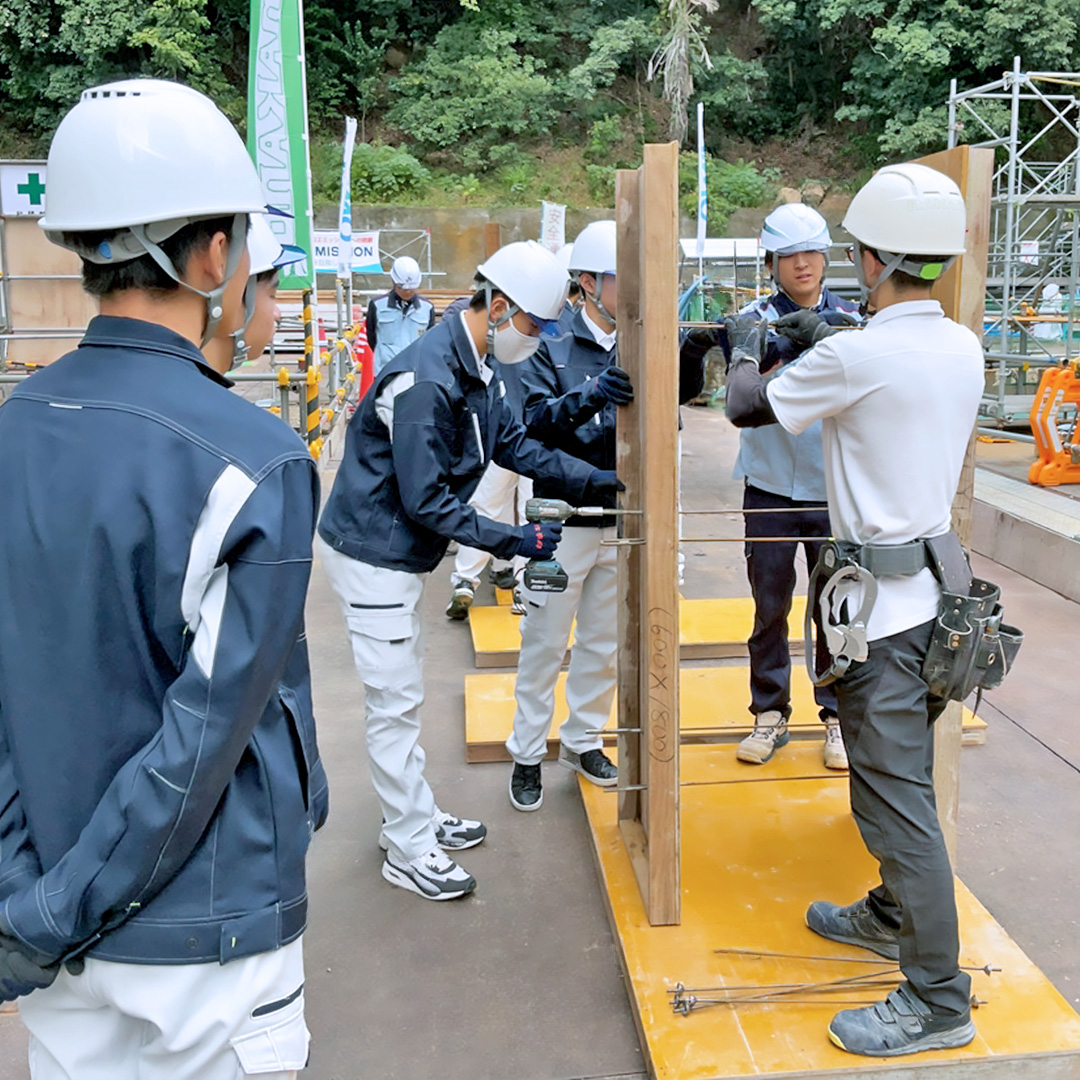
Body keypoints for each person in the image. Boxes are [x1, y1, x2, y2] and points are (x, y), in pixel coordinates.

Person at [0, 79, 327, 1079]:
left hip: (48, 907)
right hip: (206, 941)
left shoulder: (14, 429)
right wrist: (59, 908)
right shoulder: (253, 460)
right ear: (217, 257)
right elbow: (200, 746)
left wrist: (30, 894)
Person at [725, 162, 983, 1057]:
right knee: (895, 779)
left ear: (868, 259)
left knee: (893, 802)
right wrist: (819, 336)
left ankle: (938, 998)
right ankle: (886, 912)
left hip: (880, 616)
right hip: (941, 601)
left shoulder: (855, 353)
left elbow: (744, 407)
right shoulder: (961, 345)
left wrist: (754, 342)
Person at [318, 240, 622, 899]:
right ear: (502, 305)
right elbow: (428, 501)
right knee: (394, 704)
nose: (541, 340)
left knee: (403, 694)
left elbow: (514, 445)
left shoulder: (476, 362)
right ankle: (408, 847)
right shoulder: (429, 378)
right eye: (537, 327)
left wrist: (602, 479)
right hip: (373, 553)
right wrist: (517, 540)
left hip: (395, 550)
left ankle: (414, 818)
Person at [728, 203, 859, 770]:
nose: (803, 264)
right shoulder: (752, 323)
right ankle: (770, 712)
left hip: (834, 491)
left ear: (827, 257)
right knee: (770, 606)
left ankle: (836, 717)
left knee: (837, 609)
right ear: (771, 262)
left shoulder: (854, 322)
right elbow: (733, 397)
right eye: (789, 255)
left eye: (811, 252)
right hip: (771, 488)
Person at [506, 221, 631, 810]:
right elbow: (531, 426)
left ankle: (582, 739)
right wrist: (592, 395)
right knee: (544, 643)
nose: (630, 287)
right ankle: (527, 752)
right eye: (617, 277)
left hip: (621, 521)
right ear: (587, 282)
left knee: (602, 643)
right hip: (559, 526)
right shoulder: (547, 346)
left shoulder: (641, 344)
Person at [366, 254, 435, 374]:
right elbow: (372, 337)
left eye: (412, 288)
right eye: (403, 288)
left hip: (415, 372)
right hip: (385, 372)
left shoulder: (427, 308)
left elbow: (429, 341)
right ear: (393, 281)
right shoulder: (377, 305)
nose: (408, 291)